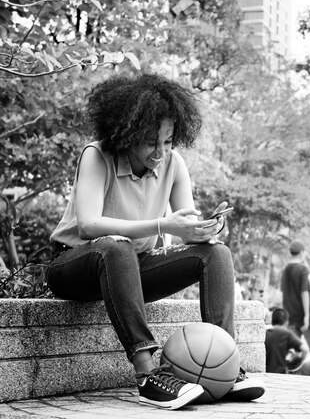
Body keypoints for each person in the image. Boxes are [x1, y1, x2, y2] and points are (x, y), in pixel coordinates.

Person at [46, 74, 264, 410]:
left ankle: (225, 365)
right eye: (150, 142)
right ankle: (148, 374)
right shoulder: (97, 156)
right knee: (115, 245)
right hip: (75, 266)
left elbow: (185, 220)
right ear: (126, 134)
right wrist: (164, 223)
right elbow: (88, 225)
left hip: (130, 270)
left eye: (167, 142)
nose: (160, 152)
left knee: (215, 254)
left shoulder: (174, 163)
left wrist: (205, 228)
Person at [280, 240, 310, 373]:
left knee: (294, 353)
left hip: (290, 317)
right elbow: (304, 292)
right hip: (305, 317)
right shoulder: (303, 269)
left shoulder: (286, 269)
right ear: (302, 252)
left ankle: (295, 376)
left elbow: (283, 294)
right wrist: (307, 315)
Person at [265, 308, 310, 376]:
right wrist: (299, 361)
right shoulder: (286, 333)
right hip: (284, 372)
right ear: (286, 322)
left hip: (267, 372)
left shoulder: (265, 333)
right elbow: (305, 349)